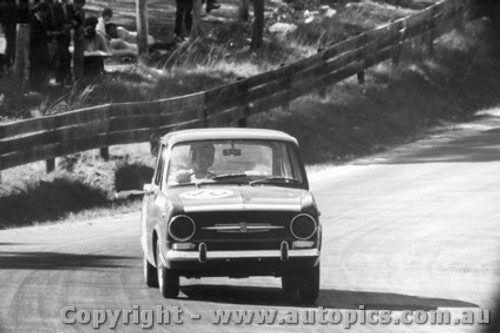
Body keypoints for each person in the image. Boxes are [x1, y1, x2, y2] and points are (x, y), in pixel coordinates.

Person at [28, 3, 51, 90]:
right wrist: (45, 34)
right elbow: (32, 34)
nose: (46, 15)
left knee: (40, 67)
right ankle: (33, 87)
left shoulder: (43, 20)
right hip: (34, 47)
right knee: (34, 68)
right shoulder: (32, 19)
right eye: (45, 12)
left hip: (41, 47)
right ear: (40, 11)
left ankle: (38, 85)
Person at [0, 0, 17, 66]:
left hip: (8, 28)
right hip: (6, 28)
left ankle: (6, 62)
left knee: (8, 47)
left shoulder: (9, 6)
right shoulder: (8, 6)